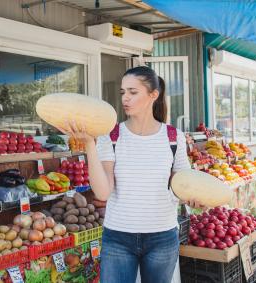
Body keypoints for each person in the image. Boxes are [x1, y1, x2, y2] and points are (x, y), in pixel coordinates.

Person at [58, 66, 198, 283]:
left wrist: (194, 196)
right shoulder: (111, 135)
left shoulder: (173, 137)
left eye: (133, 92)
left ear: (153, 95)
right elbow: (103, 192)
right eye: (123, 92)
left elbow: (185, 182)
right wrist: (89, 145)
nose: (126, 98)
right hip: (118, 237)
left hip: (162, 235)